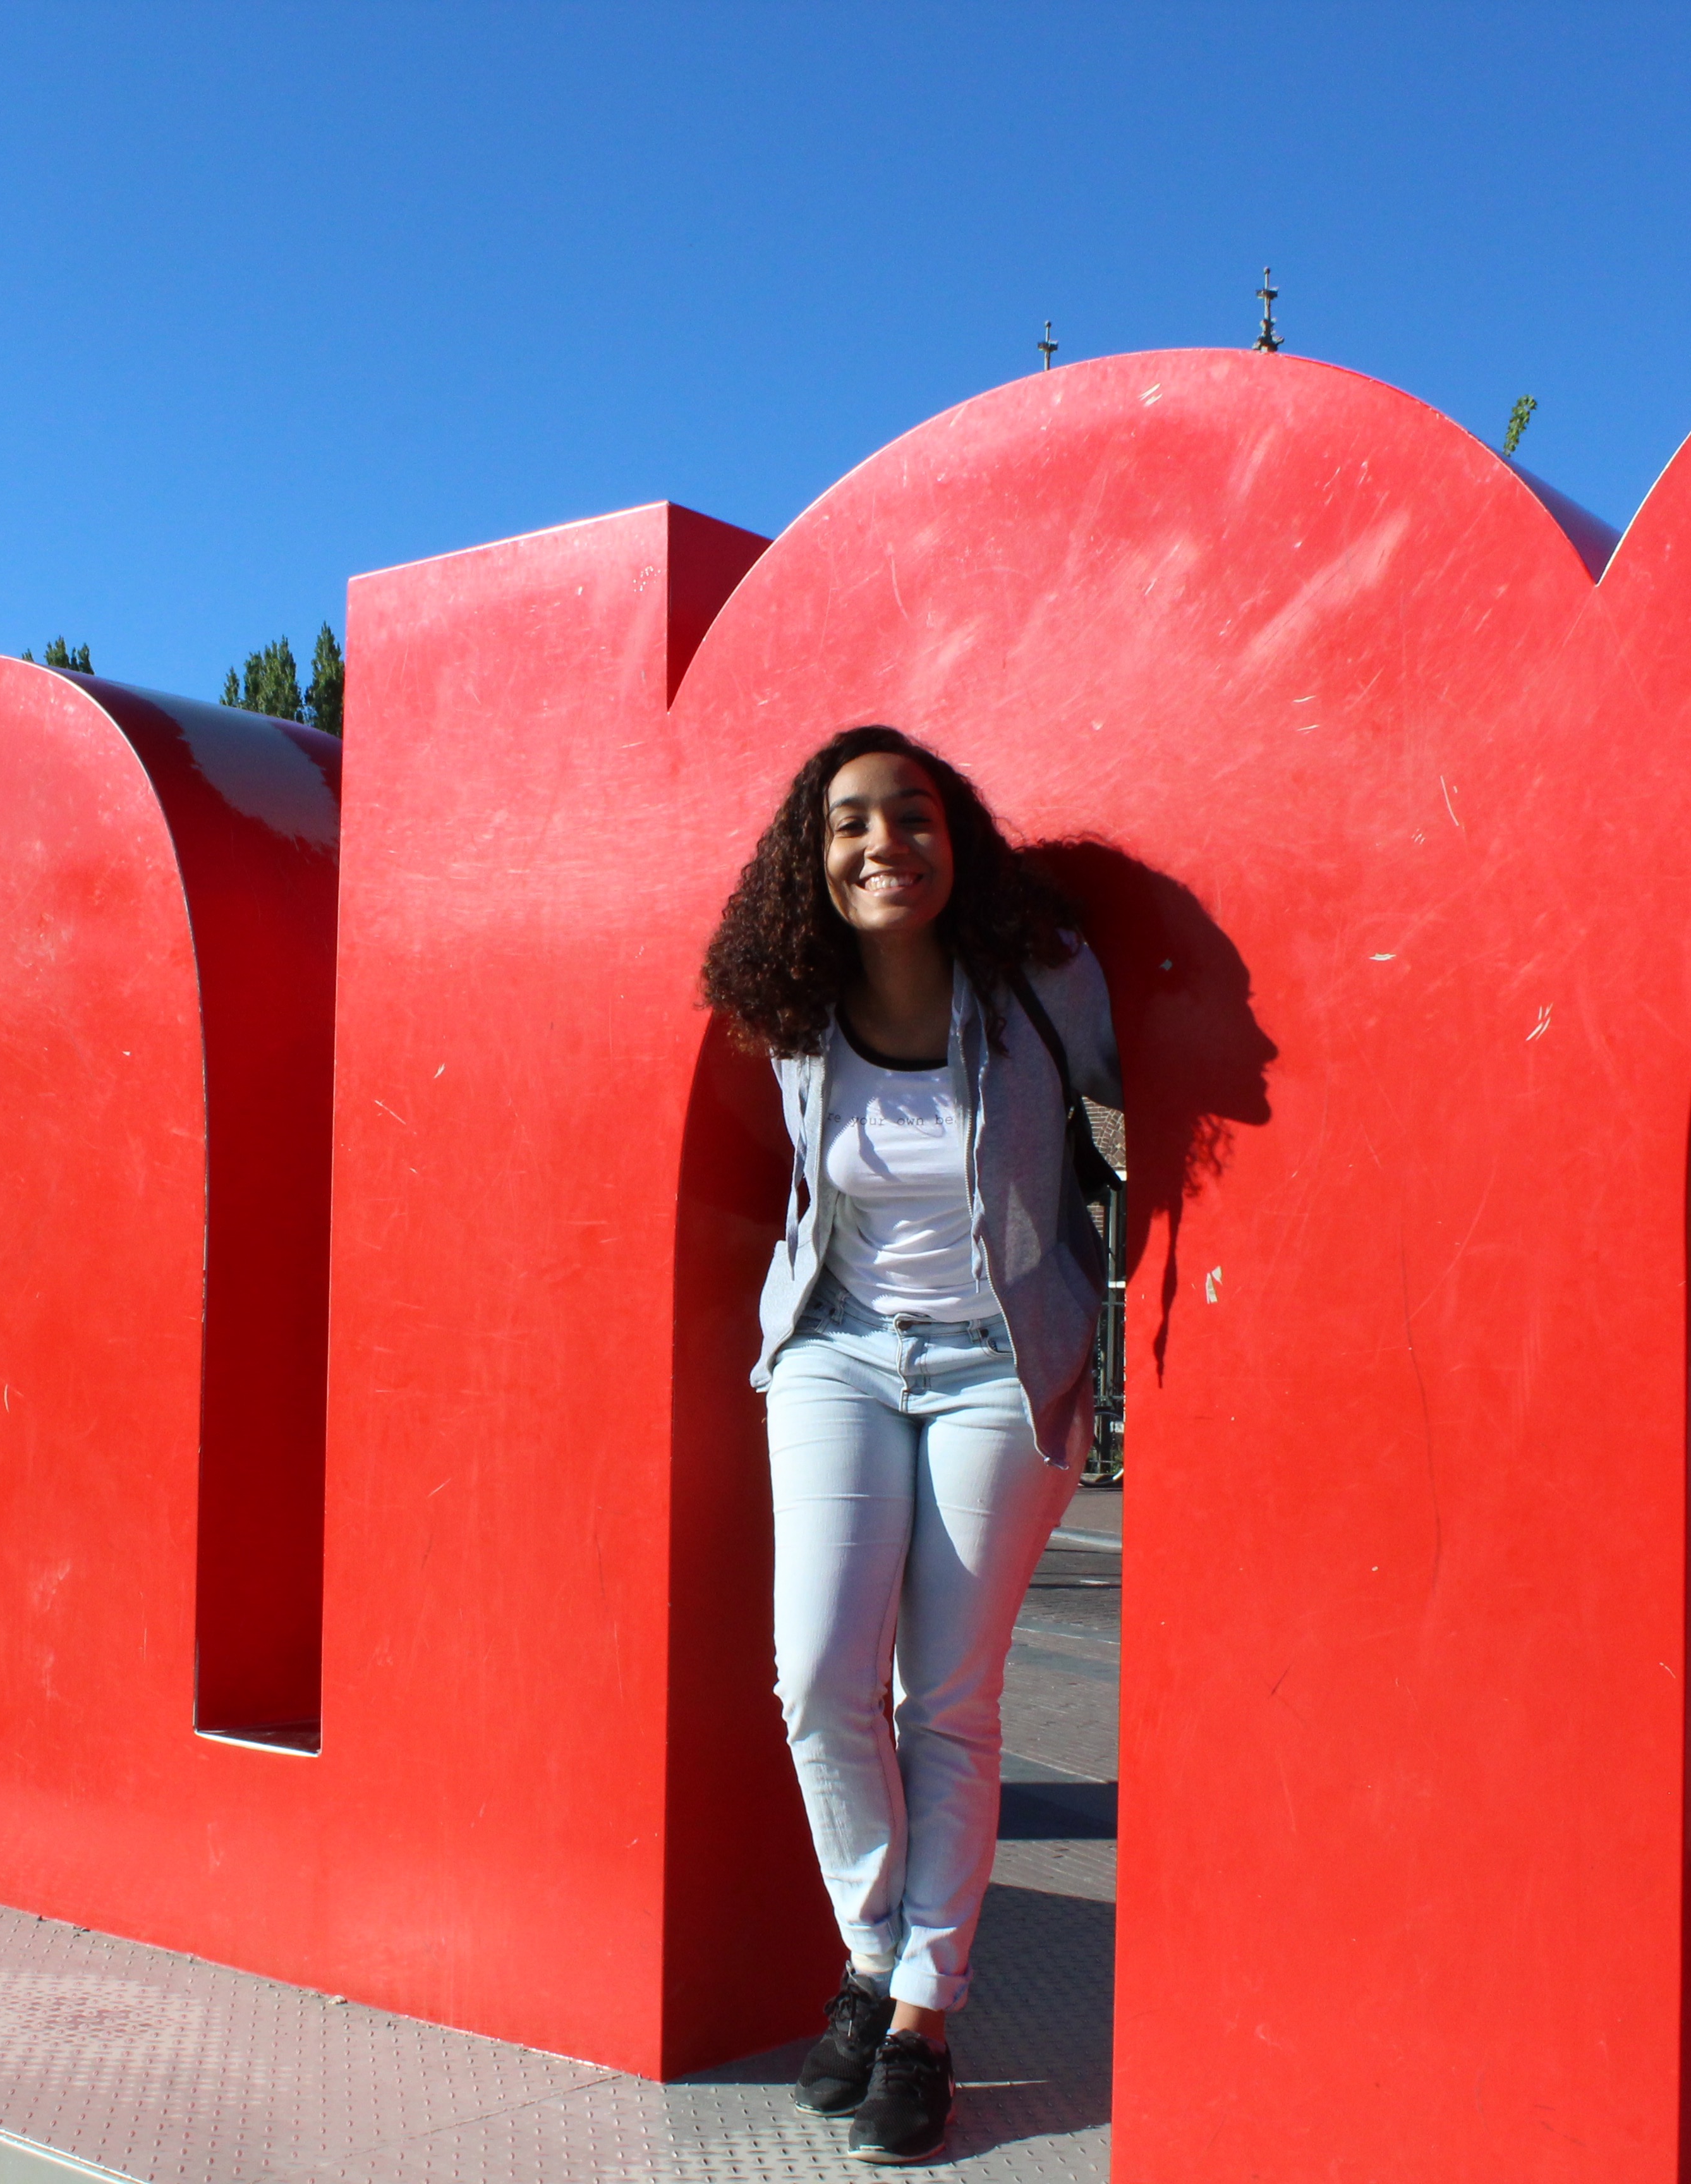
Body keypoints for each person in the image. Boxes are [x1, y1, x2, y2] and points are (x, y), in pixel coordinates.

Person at [699, 725, 1117, 2165]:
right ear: (811, 863)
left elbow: (1155, 1090)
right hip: (835, 1354)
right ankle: (872, 1956)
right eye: (851, 825)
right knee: (818, 1675)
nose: (885, 845)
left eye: (913, 817)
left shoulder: (1043, 980)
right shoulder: (796, 1006)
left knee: (942, 1694)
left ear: (958, 840)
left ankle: (920, 2018)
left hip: (1001, 1362)